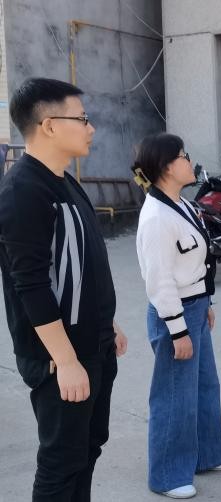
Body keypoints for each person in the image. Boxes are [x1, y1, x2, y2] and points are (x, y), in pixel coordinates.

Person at [0, 77, 128, 501]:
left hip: (94, 345)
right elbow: (31, 287)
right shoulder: (22, 191)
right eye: (82, 119)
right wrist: (67, 360)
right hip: (60, 360)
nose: (91, 128)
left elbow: (84, 264)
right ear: (50, 125)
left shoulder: (67, 183)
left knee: (87, 450)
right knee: (60, 463)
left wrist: (108, 324)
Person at [134, 133, 221, 499]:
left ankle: (207, 454)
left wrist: (206, 304)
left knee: (206, 386)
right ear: (166, 167)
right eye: (183, 155)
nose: (189, 161)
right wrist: (178, 331)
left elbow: (197, 264)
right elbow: (159, 281)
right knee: (174, 394)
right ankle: (167, 475)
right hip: (173, 313)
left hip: (195, 306)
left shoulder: (183, 205)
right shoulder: (156, 217)